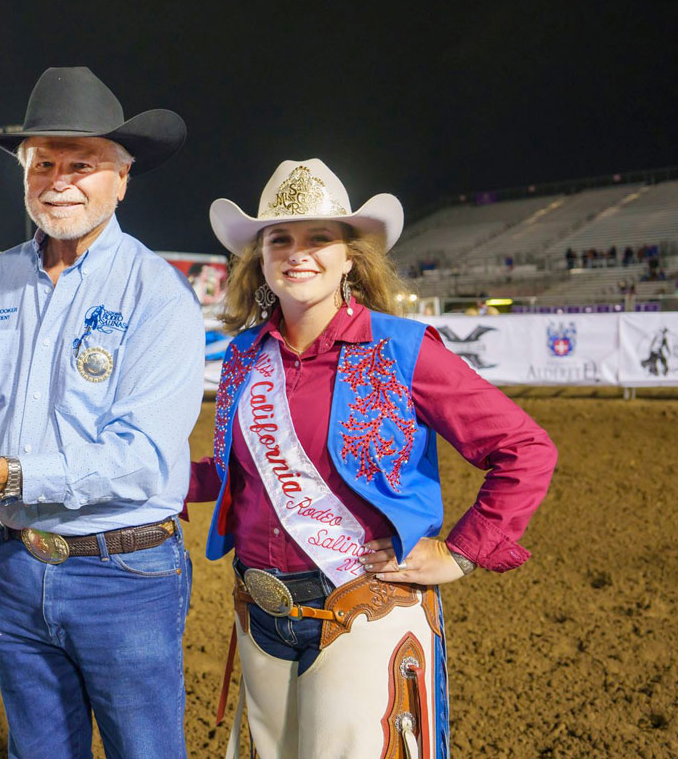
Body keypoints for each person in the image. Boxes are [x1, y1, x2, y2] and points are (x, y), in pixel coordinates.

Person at [0, 67, 204, 759]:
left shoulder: (158, 294)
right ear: (25, 174)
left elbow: (142, 456)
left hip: (124, 576)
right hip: (20, 568)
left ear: (121, 178)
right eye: (42, 163)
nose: (59, 179)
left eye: (81, 163)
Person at [193, 159, 557, 759]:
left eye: (319, 239)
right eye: (279, 238)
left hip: (365, 605)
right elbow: (235, 470)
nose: (297, 252)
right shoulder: (243, 357)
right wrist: (155, 481)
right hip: (259, 612)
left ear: (350, 259)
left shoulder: (402, 349)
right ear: (259, 258)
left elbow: (525, 449)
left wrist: (464, 553)